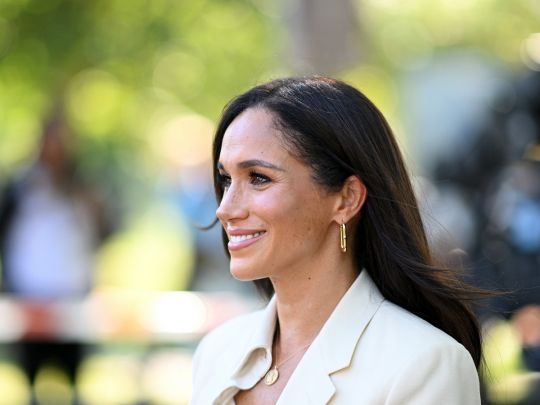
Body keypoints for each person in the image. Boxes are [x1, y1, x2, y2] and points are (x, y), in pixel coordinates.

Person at [190, 77, 482, 404]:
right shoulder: (217, 351)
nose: (225, 209)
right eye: (226, 179)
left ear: (346, 199)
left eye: (258, 178)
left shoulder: (425, 363)